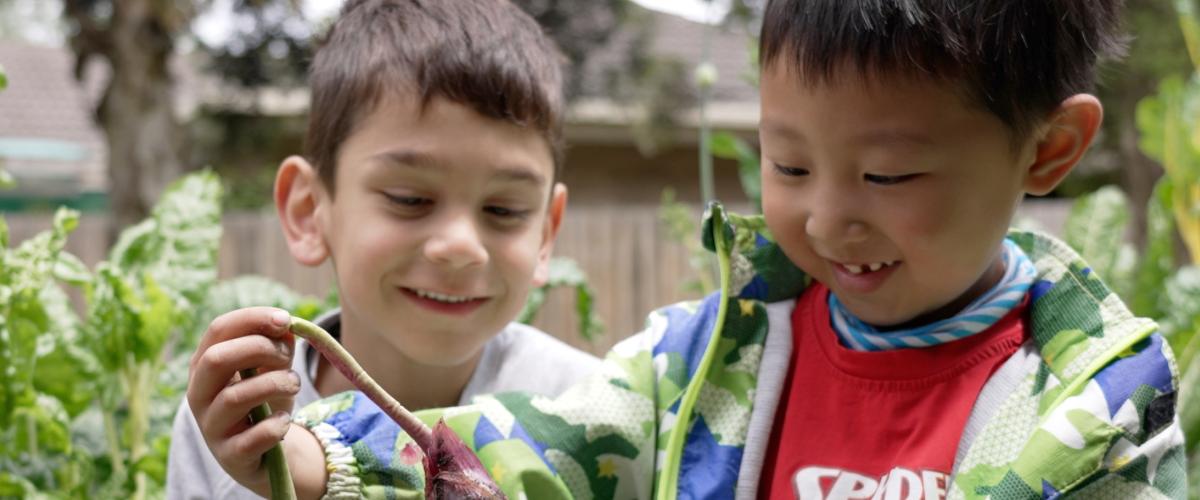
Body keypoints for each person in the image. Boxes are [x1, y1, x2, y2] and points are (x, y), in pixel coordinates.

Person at [222, 0, 1189, 498]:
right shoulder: (709, 361)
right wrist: (318, 461)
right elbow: (540, 445)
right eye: (788, 164)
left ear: (1049, 148)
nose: (828, 220)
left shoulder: (1096, 408)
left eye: (889, 177)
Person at [164, 0, 604, 498]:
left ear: (546, 233)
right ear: (309, 211)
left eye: (505, 210)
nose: (461, 246)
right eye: (410, 199)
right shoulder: (239, 419)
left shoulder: (591, 407)